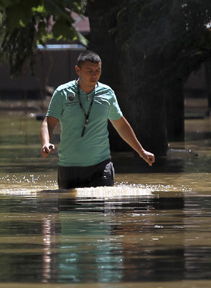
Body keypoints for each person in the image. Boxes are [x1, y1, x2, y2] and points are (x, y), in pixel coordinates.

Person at [40, 50, 155, 189]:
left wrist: (141, 151)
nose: (94, 75)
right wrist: (46, 143)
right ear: (78, 70)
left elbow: (121, 125)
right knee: (69, 203)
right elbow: (48, 123)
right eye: (89, 71)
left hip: (101, 166)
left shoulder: (107, 93)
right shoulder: (62, 93)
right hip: (69, 166)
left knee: (102, 202)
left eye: (98, 70)